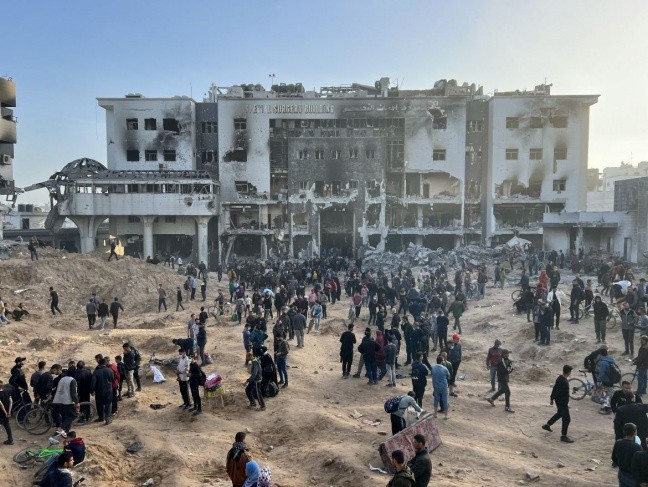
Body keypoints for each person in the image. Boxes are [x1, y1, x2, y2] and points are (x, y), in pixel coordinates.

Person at [542, 364, 574, 442]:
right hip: (562, 402)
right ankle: (563, 436)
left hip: (560, 401)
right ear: (569, 372)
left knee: (559, 414)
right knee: (567, 419)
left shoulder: (560, 378)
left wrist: (552, 398)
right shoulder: (563, 381)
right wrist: (552, 399)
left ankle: (547, 425)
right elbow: (557, 391)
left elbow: (554, 389)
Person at [611, 422, 643, 487]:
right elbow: (640, 463)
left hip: (622, 472)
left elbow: (614, 457)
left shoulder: (618, 442)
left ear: (624, 431)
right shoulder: (637, 447)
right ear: (635, 432)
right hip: (632, 475)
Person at [52, 367, 80, 435]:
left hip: (58, 400)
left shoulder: (62, 379)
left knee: (65, 416)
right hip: (67, 401)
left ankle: (66, 431)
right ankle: (61, 429)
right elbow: (73, 393)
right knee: (73, 415)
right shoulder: (72, 380)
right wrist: (76, 402)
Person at [91, 357, 113, 424]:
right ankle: (108, 418)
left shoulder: (96, 372)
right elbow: (112, 378)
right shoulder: (109, 370)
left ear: (99, 363)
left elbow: (93, 382)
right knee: (108, 403)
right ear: (105, 363)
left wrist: (92, 391)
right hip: (109, 390)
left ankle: (101, 418)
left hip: (99, 390)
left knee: (99, 404)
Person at [432, 355, 450, 420]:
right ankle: (446, 415)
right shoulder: (445, 369)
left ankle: (435, 414)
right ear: (442, 361)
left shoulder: (433, 367)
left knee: (436, 400)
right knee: (445, 400)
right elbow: (448, 376)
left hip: (436, 386)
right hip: (443, 386)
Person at [0, 380, 13, 445]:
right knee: (7, 425)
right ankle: (10, 440)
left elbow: (0, 404)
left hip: (1, 412)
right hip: (7, 410)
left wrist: (5, 412)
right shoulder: (7, 391)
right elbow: (11, 401)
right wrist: (9, 412)